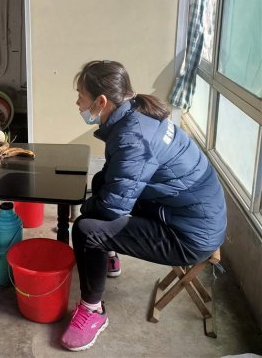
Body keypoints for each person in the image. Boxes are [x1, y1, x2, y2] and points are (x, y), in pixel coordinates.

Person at [60, 60, 226, 352]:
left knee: (86, 231)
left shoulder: (132, 137)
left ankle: (93, 311)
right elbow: (117, 183)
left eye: (80, 96)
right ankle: (109, 257)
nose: (77, 103)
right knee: (101, 181)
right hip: (187, 210)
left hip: (189, 235)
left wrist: (85, 209)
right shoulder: (134, 113)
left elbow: (111, 208)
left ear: (101, 101)